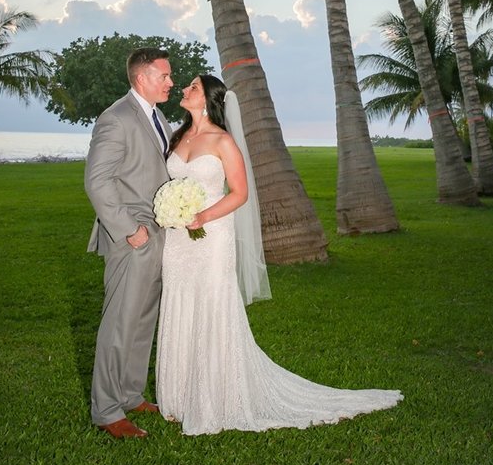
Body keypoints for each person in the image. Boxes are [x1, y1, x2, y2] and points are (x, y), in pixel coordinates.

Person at [156, 74, 403, 435]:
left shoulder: (223, 141)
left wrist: (202, 216)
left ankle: (213, 399)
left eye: (193, 86)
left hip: (212, 234)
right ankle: (178, 396)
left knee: (210, 306)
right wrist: (173, 211)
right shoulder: (177, 137)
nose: (184, 90)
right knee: (180, 302)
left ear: (209, 99)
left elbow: (239, 193)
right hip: (178, 239)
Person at [84, 47, 174, 439]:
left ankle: (131, 394)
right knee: (119, 324)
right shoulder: (116, 118)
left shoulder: (158, 116)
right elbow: (97, 181)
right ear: (142, 78)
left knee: (141, 321)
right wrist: (129, 230)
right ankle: (106, 411)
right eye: (165, 76)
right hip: (132, 238)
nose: (171, 82)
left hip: (160, 234)